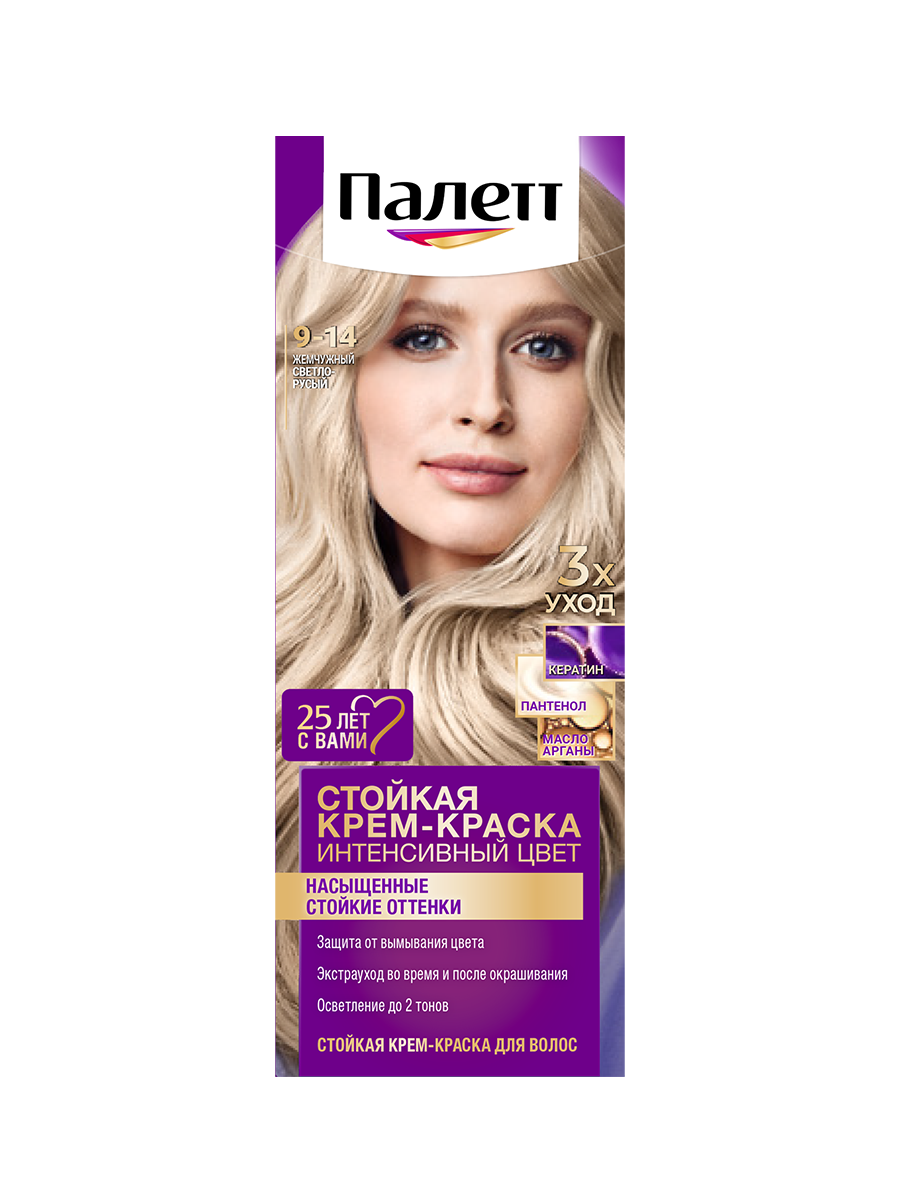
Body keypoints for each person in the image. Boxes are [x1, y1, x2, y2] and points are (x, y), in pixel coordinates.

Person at [274, 170, 624, 1067]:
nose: (486, 405)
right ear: (333, 373)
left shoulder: (592, 659)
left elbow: (454, 1055)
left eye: (545, 347)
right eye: (423, 337)